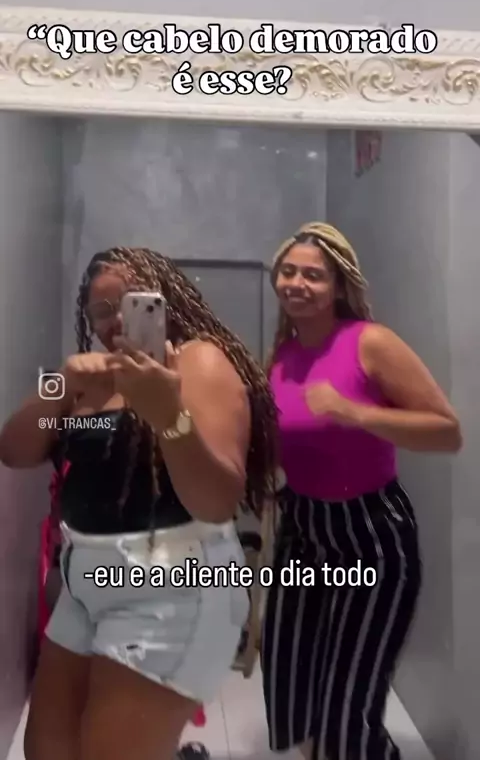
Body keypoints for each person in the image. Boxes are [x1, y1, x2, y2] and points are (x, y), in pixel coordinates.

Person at [0, 247, 278, 760]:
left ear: (162, 299)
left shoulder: (199, 362)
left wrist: (168, 416)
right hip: (84, 586)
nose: (112, 321)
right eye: (99, 311)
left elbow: (218, 501)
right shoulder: (84, 376)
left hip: (170, 590)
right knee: (47, 749)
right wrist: (62, 385)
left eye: (128, 302)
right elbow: (14, 448)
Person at [261, 222, 462, 760]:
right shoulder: (282, 354)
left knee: (346, 716)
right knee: (291, 688)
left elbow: (447, 431)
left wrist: (357, 413)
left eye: (313, 275)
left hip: (371, 535)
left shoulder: (370, 343)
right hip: (304, 531)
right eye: (288, 271)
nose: (297, 283)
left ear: (339, 286)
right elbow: (288, 440)